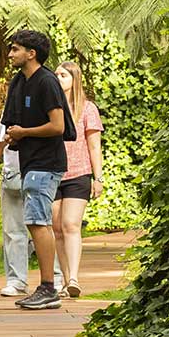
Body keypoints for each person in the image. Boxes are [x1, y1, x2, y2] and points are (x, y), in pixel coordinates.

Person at [0, 29, 73, 311]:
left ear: (31, 54)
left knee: (37, 222)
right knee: (34, 222)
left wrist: (25, 132)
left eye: (15, 49)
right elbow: (12, 123)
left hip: (46, 163)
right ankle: (45, 287)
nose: (10, 54)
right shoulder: (19, 82)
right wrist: (13, 135)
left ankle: (48, 288)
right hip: (28, 162)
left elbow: (58, 126)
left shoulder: (47, 82)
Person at [54, 60, 104, 298]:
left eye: (63, 75)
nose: (58, 78)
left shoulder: (88, 108)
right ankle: (65, 281)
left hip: (78, 173)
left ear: (75, 79)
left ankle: (74, 277)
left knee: (71, 225)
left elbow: (95, 146)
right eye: (56, 75)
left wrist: (98, 177)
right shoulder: (50, 108)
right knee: (57, 228)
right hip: (52, 173)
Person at [0, 105, 31, 297]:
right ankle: (16, 280)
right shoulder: (9, 110)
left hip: (38, 172)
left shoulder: (44, 101)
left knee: (44, 228)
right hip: (11, 175)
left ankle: (55, 279)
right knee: (13, 231)